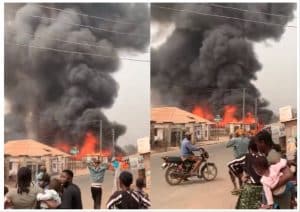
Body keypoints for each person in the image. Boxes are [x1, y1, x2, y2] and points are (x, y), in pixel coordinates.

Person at [254, 130, 294, 209]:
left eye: (257, 144)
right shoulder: (269, 154)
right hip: (279, 196)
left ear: (262, 142)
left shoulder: (273, 156)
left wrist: (271, 187)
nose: (257, 146)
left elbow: (289, 174)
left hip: (282, 196)